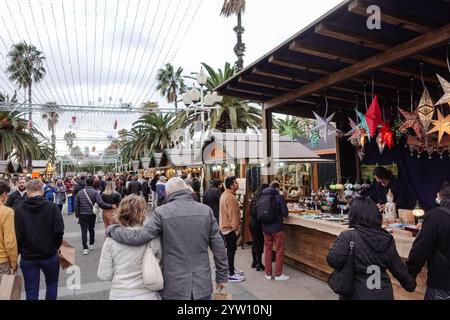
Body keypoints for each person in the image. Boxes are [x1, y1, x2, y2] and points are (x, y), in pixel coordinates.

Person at [107, 177, 228, 300]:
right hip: (202, 283)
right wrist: (222, 275)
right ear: (186, 189)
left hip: (174, 285)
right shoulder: (205, 211)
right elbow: (219, 246)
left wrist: (113, 230)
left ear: (167, 193)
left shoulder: (161, 212)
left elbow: (139, 237)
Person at [326, 197, 416, 300]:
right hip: (382, 294)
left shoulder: (348, 236)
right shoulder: (386, 238)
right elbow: (398, 268)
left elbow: (333, 260)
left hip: (354, 293)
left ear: (353, 215)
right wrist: (410, 284)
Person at [98, 195, 160, 300]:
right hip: (148, 293)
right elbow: (161, 261)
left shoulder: (111, 240)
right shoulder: (153, 237)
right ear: (143, 212)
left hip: (120, 294)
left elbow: (104, 275)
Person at [14, 179, 65, 300]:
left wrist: (20, 251)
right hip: (49, 254)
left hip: (28, 256)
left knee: (31, 290)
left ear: (27, 191)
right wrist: (56, 246)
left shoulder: (19, 209)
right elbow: (59, 231)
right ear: (42, 190)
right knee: (52, 284)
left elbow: (18, 235)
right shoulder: (52, 207)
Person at [407, 180, 450, 300]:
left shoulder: (435, 216)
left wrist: (410, 274)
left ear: (440, 197)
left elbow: (421, 249)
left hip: (442, 285)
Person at [75, 176, 114, 255]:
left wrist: (77, 214)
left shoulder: (80, 193)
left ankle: (85, 248)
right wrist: (111, 206)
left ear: (85, 183)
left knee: (84, 231)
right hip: (91, 214)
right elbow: (101, 203)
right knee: (91, 229)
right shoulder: (95, 192)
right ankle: (91, 244)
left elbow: (76, 205)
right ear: (93, 183)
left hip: (82, 214)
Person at [260, 181, 289, 280]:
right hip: (277, 228)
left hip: (266, 228)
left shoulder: (262, 196)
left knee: (267, 250)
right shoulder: (279, 197)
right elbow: (285, 213)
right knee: (279, 250)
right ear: (276, 189)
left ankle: (268, 274)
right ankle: (278, 274)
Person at [220, 176, 245, 282]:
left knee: (230, 251)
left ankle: (231, 269)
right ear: (231, 185)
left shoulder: (226, 194)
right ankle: (230, 273)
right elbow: (233, 214)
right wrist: (236, 229)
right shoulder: (230, 197)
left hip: (226, 227)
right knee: (231, 251)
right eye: (235, 183)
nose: (237, 184)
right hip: (229, 228)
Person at [249, 183, 269, 272]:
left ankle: (254, 261)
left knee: (254, 242)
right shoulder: (263, 200)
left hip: (252, 223)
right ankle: (259, 263)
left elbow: (251, 211)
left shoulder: (254, 198)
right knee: (260, 243)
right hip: (258, 223)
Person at [0, 182, 18, 275]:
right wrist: (14, 262)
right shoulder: (7, 212)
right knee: (4, 289)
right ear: (4, 194)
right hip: (2, 259)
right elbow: (9, 241)